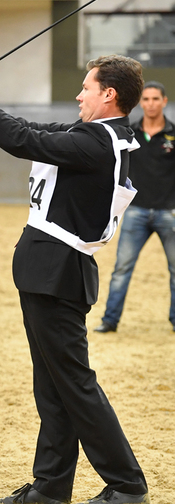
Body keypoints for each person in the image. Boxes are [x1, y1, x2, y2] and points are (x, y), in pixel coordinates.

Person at [0, 55, 149, 504]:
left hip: (58, 268)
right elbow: (24, 129)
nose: (79, 95)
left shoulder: (95, 143)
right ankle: (51, 485)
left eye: (86, 87)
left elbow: (22, 140)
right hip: (53, 269)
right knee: (54, 383)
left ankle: (126, 482)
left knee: (74, 382)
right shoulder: (99, 136)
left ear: (109, 95)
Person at [94, 81, 175, 334]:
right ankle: (110, 320)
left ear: (164, 101)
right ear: (141, 102)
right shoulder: (130, 133)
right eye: (146, 99)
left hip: (168, 213)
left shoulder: (174, 134)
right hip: (136, 213)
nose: (150, 103)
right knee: (122, 268)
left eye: (155, 99)